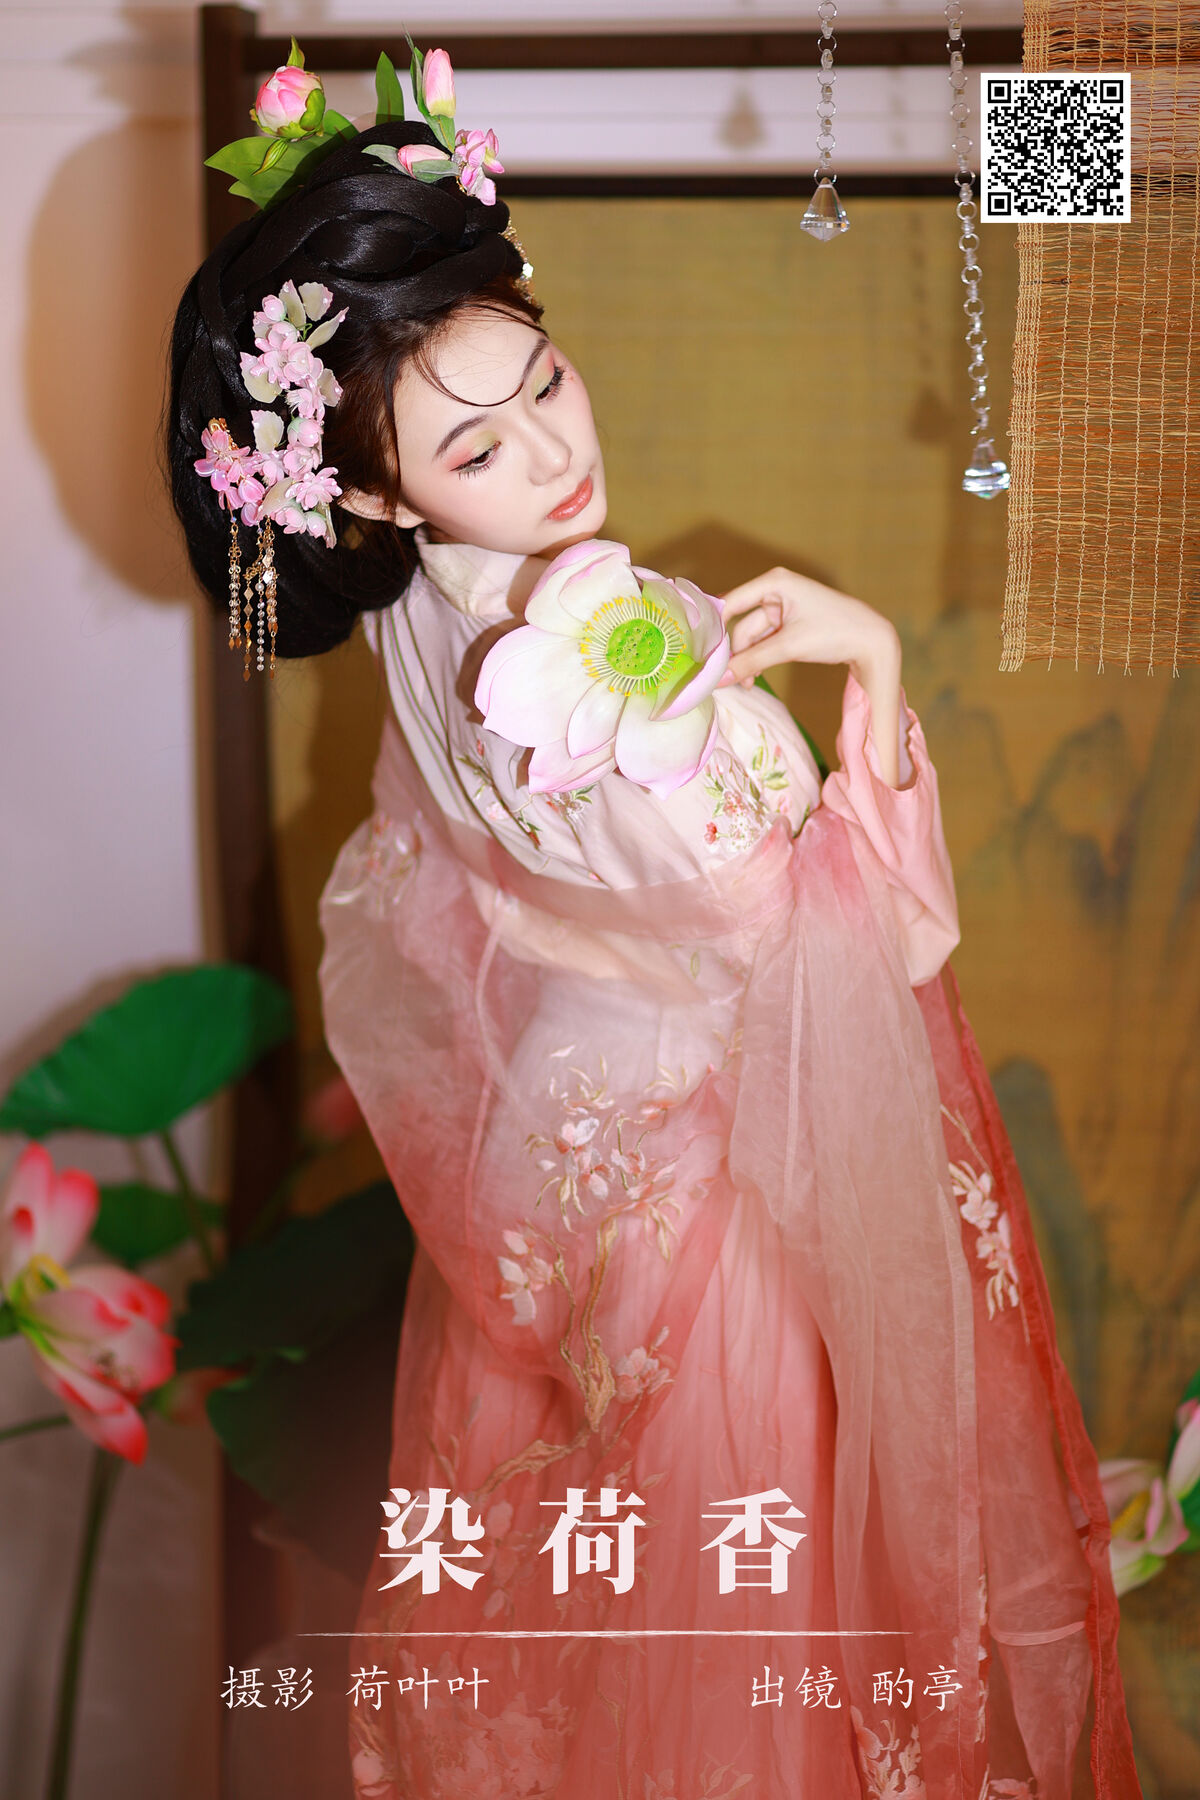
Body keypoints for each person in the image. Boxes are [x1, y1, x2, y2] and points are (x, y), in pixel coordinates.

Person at [167, 60, 1143, 1800]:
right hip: (727, 1211)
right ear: (373, 494)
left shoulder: (417, 618)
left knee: (615, 1648)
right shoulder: (625, 671)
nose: (553, 454)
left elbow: (447, 885)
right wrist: (871, 659)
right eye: (476, 445)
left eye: (543, 380)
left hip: (565, 1175)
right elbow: (865, 958)